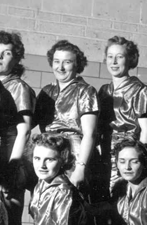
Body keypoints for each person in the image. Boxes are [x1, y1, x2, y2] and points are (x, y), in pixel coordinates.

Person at [0, 30, 37, 225]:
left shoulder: (18, 87)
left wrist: (13, 166)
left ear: (16, 59)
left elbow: (24, 130)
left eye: (6, 53)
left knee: (9, 214)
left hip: (10, 154)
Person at [34, 40, 99, 191]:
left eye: (67, 62)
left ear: (77, 65)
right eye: (56, 61)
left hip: (73, 153)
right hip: (47, 152)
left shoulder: (86, 91)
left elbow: (90, 134)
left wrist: (80, 168)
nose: (60, 67)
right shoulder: (47, 91)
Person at [98, 36, 147, 193]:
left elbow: (146, 131)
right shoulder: (104, 90)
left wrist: (141, 159)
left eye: (120, 56)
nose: (114, 62)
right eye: (110, 57)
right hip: (105, 154)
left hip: (127, 153)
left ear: (130, 59)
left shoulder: (140, 90)